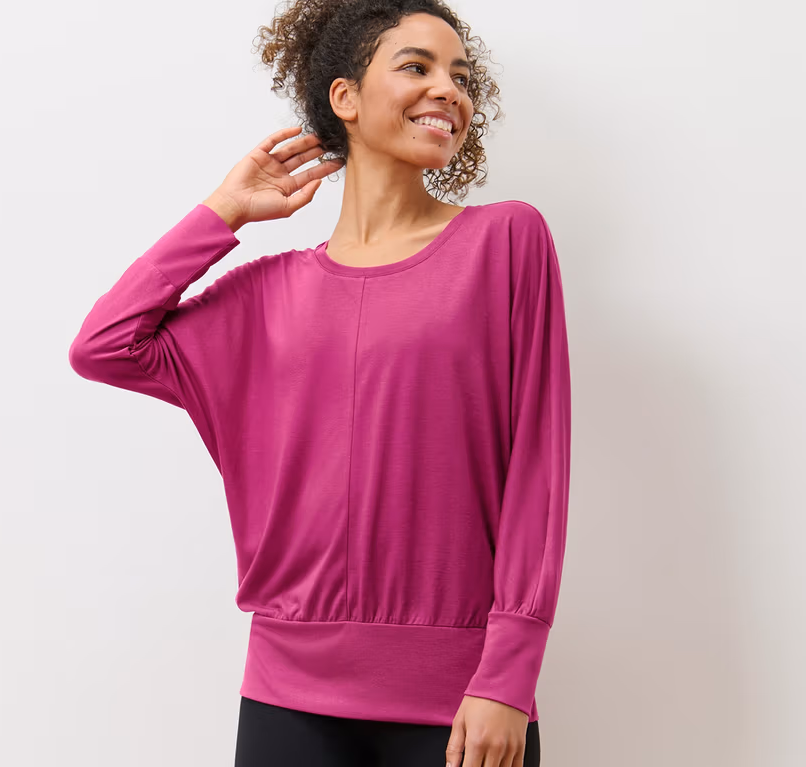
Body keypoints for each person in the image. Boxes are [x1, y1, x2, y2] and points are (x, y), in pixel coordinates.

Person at [68, 1, 571, 765]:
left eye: (461, 77)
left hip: (460, 698)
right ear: (346, 97)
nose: (449, 90)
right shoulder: (265, 295)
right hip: (285, 699)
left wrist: (508, 676)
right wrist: (224, 211)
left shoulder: (505, 241)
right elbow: (105, 344)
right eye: (417, 66)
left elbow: (538, 466)